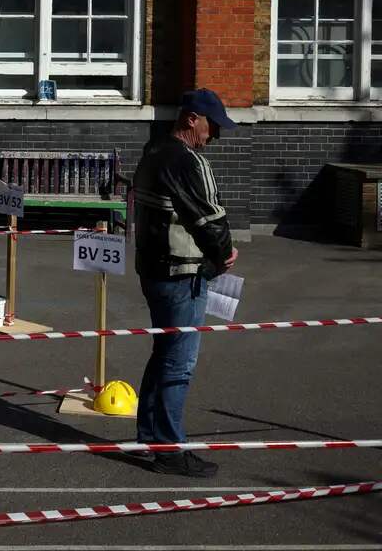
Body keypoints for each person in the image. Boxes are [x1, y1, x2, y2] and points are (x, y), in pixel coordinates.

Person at [132, 88, 239, 478]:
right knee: (179, 363)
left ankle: (150, 437)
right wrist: (224, 253)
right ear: (192, 118)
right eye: (212, 125)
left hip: (154, 270)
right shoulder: (188, 161)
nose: (215, 135)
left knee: (163, 353)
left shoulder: (153, 152)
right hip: (182, 273)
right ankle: (170, 448)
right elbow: (208, 218)